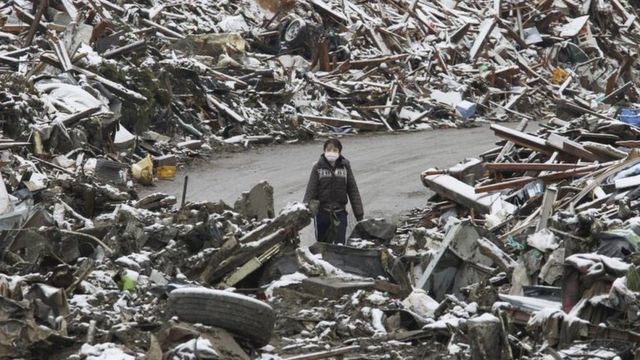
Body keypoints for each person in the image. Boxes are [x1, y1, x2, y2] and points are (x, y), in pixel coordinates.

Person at [303, 139, 364, 244]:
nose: (331, 152)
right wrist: (303, 213)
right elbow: (311, 190)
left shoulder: (345, 167)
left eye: (335, 150)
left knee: (339, 245)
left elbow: (353, 190)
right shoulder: (317, 167)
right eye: (329, 149)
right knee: (322, 245)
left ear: (339, 152)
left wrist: (359, 213)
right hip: (322, 213)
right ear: (324, 151)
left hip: (340, 213)